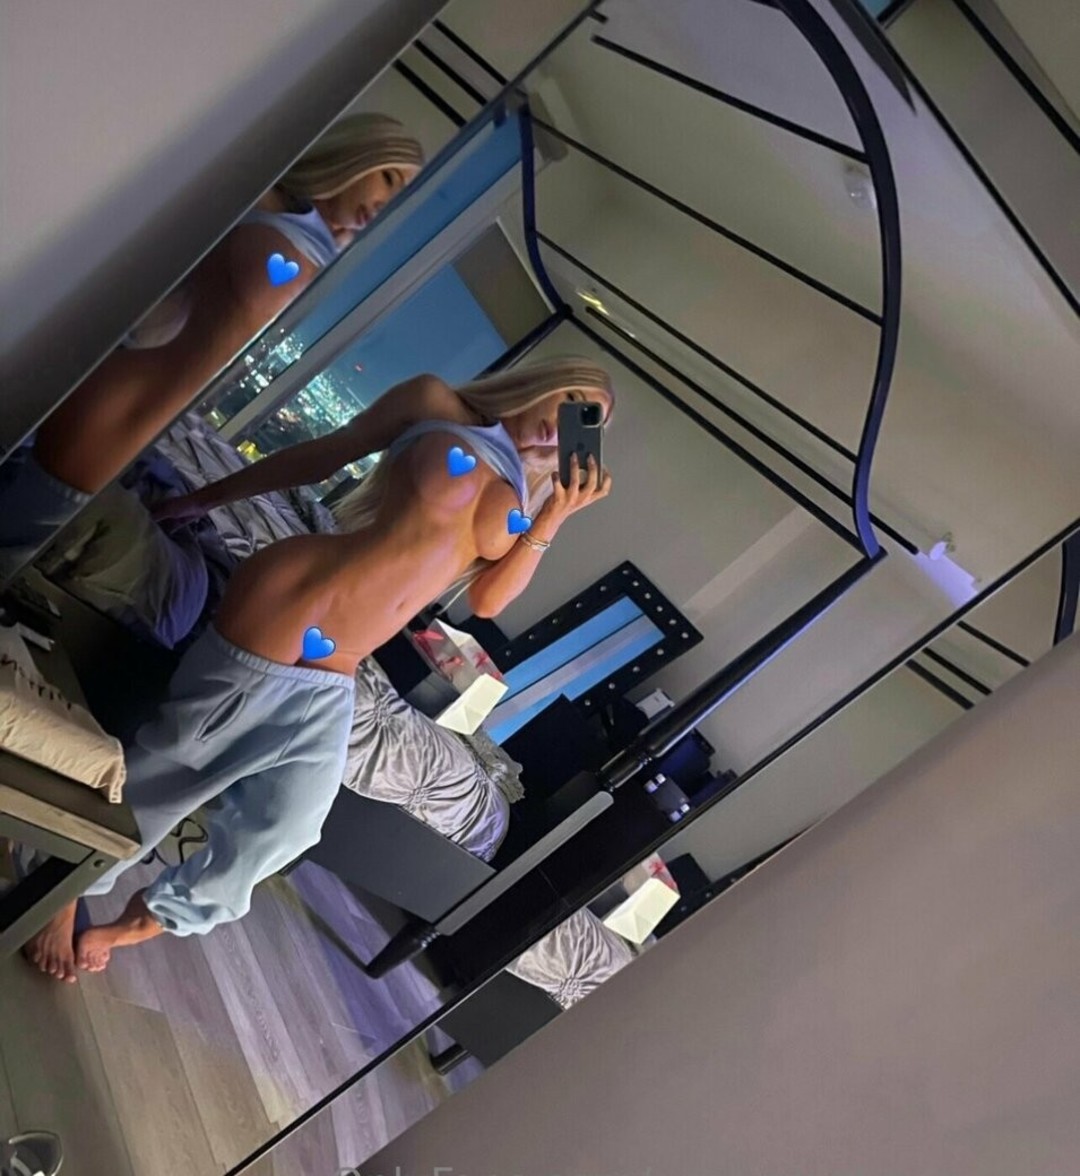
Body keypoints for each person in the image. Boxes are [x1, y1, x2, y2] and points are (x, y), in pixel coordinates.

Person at [23, 358, 615, 981]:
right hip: (292, 602)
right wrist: (203, 498)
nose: (564, 425)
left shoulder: (523, 498)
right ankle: (58, 887)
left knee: (287, 825)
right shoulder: (436, 403)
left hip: (339, 663)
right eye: (572, 400)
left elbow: (488, 602)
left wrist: (555, 515)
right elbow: (322, 456)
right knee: (176, 770)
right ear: (546, 385)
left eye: (587, 422)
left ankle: (149, 917)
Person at [0, 114, 424, 581]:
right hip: (115, 411)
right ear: (361, 153)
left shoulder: (312, 239)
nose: (386, 201)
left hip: (125, 410)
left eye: (401, 194)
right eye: (389, 177)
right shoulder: (263, 196)